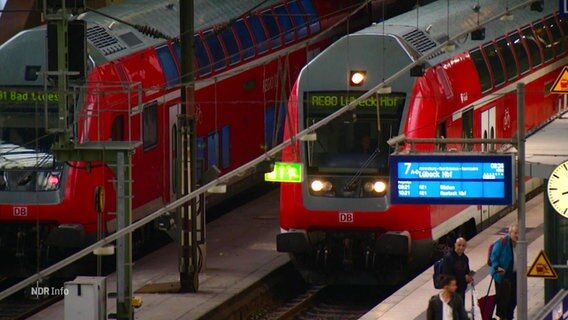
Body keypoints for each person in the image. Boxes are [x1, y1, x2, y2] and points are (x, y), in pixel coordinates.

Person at [490, 224, 519, 320]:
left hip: (515, 275)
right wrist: (497, 267)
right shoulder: (502, 242)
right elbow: (493, 257)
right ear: (510, 233)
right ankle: (504, 317)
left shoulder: (520, 243)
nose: (517, 235)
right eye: (515, 233)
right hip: (503, 276)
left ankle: (509, 316)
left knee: (514, 299)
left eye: (518, 233)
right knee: (503, 301)